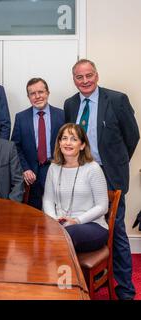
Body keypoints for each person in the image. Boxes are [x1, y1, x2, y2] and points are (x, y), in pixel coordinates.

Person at [64, 59, 139, 300]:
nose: (85, 81)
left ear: (96, 75)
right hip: (80, 175)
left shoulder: (116, 100)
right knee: (83, 226)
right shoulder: (70, 104)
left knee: (115, 231)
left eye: (89, 75)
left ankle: (125, 290)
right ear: (73, 79)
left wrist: (115, 163)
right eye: (79, 77)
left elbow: (132, 136)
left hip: (109, 175)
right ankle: (87, 281)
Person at [43, 124, 109, 254]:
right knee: (37, 233)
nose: (68, 142)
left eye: (74, 139)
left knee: (65, 236)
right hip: (60, 225)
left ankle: (62, 274)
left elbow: (103, 206)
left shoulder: (93, 168)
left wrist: (77, 221)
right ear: (59, 143)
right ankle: (54, 273)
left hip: (91, 225)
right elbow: (48, 200)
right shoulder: (54, 167)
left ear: (82, 145)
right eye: (64, 138)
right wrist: (54, 221)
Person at [11, 78, 64, 210]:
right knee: (33, 213)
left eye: (41, 92)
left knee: (56, 210)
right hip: (31, 175)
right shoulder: (21, 117)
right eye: (32, 93)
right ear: (28, 97)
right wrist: (25, 168)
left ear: (48, 93)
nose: (37, 96)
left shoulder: (62, 115)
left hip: (56, 170)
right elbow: (15, 146)